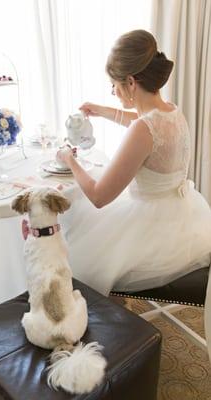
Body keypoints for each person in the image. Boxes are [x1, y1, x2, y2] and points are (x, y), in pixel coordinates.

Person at [57, 29, 211, 296]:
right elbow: (143, 124)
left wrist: (69, 159)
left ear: (130, 82)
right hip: (183, 215)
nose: (113, 92)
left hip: (154, 231)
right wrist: (102, 111)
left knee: (78, 250)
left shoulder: (143, 129)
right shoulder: (171, 111)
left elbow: (99, 196)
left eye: (114, 85)